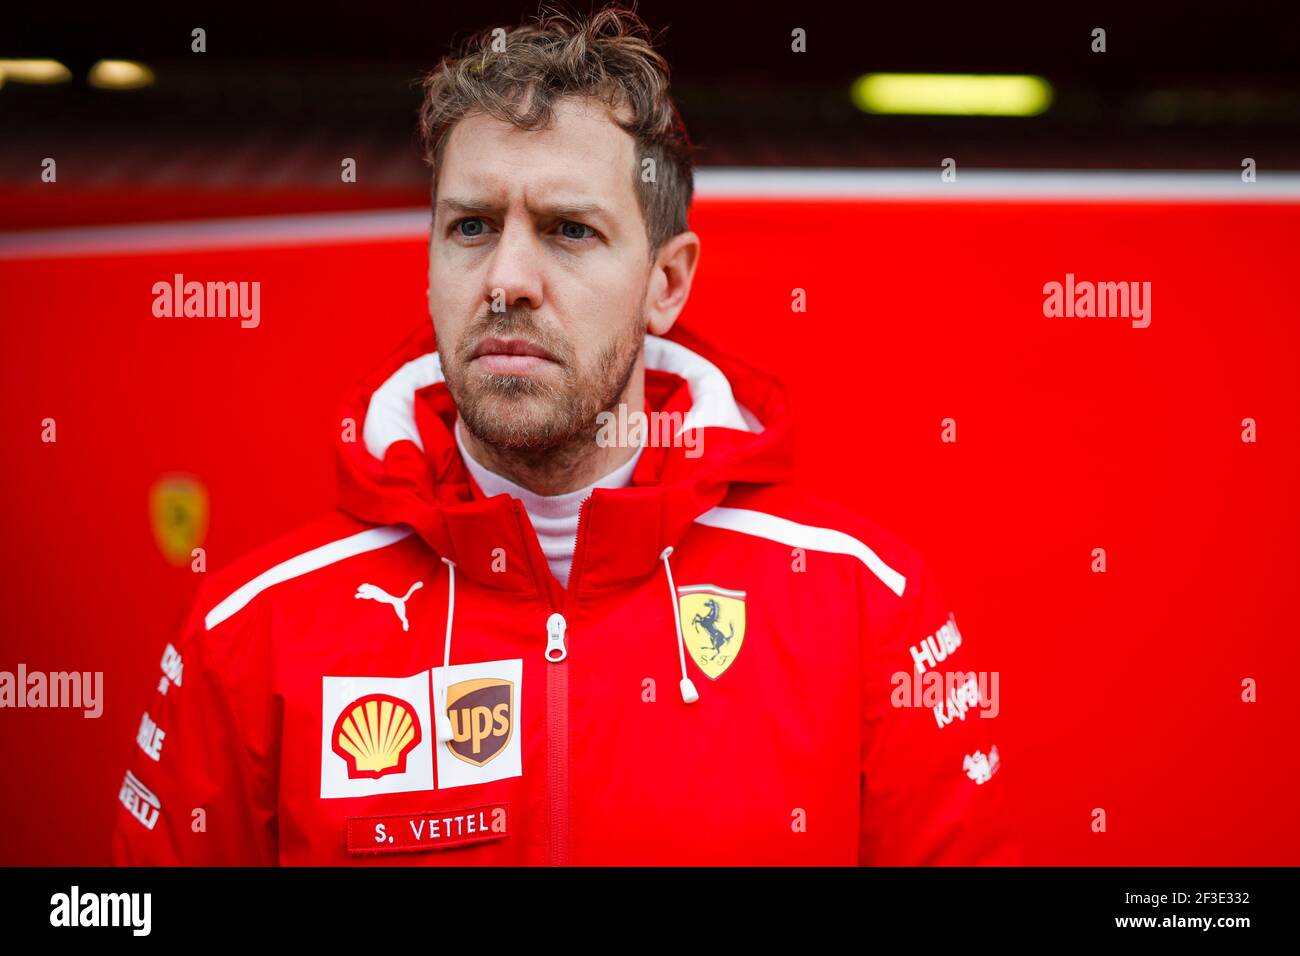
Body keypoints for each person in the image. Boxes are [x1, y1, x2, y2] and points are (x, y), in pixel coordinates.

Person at [111, 4, 1020, 866]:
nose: (507, 278)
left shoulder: (863, 609)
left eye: (568, 231)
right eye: (471, 226)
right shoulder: (250, 636)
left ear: (667, 282)